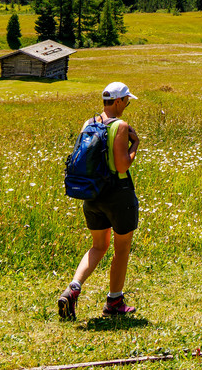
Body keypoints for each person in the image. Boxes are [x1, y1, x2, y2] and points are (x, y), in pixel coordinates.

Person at [58, 81, 141, 319]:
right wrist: (135, 144)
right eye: (126, 100)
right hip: (118, 192)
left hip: (92, 193)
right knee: (121, 248)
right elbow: (123, 164)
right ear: (117, 101)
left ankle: (73, 289)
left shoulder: (89, 123)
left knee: (98, 246)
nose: (126, 104)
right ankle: (114, 301)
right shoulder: (121, 125)